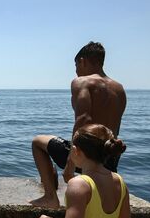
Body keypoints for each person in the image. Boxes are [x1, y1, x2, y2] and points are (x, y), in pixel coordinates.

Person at [30, 42, 126, 208]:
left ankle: (50, 197)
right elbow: (115, 128)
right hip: (108, 159)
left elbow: (83, 120)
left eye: (76, 65)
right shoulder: (119, 89)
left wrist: (70, 164)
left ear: (82, 61)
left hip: (85, 157)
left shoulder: (82, 82)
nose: (76, 70)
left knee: (38, 142)